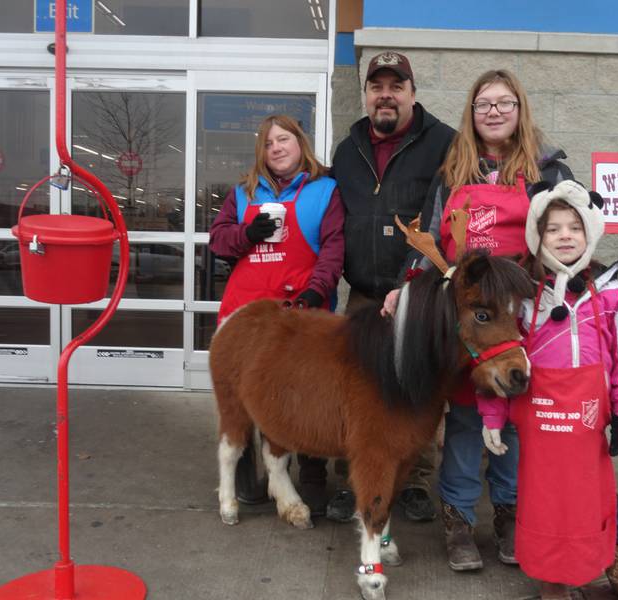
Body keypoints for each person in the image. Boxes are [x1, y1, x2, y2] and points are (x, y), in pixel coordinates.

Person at [400, 69, 573, 572]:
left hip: (522, 315)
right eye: (483, 104)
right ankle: (457, 523)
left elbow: (568, 239)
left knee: (514, 423)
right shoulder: (453, 172)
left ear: (520, 110)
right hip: (467, 317)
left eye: (503, 103)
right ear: (470, 115)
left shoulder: (549, 172)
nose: (493, 111)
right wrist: (401, 290)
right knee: (464, 421)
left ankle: (509, 516)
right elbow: (429, 238)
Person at [296, 50, 456, 523]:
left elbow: (439, 219)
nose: (385, 95)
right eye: (376, 87)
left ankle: (415, 481)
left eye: (396, 86)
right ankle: (356, 479)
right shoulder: (348, 150)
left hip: (422, 292)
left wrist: (411, 279)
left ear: (412, 93)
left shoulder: (444, 143)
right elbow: (328, 213)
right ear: (366, 94)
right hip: (364, 293)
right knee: (358, 392)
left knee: (419, 389)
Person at [479, 179, 618, 600]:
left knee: (599, 501)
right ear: (539, 237)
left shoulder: (609, 295)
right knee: (544, 506)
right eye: (554, 228)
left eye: (575, 227)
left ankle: (616, 563)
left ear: (590, 231)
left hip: (588, 425)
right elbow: (498, 359)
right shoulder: (521, 299)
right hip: (540, 427)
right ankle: (552, 579)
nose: (565, 236)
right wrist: (493, 417)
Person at [209, 114, 344, 506]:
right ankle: (249, 480)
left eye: (283, 139)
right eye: (268, 144)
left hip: (300, 314)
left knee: (304, 399)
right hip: (245, 314)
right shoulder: (244, 192)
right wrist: (246, 234)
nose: (276, 149)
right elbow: (218, 241)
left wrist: (314, 295)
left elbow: (333, 250)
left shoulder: (325, 191)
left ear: (300, 142)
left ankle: (309, 479)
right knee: (245, 399)